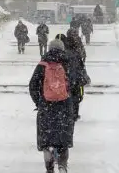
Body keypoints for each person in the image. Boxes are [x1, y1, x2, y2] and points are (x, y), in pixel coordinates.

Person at [29, 38, 74, 173]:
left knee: (47, 139)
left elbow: (33, 85)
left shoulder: (42, 64)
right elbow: (76, 82)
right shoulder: (67, 63)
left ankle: (49, 165)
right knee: (63, 139)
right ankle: (62, 165)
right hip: (64, 107)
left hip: (46, 108)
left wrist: (40, 102)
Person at [56, 34, 89, 121]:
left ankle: (63, 113)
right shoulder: (74, 53)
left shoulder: (57, 54)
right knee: (75, 96)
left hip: (62, 81)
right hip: (75, 80)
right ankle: (74, 114)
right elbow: (81, 67)